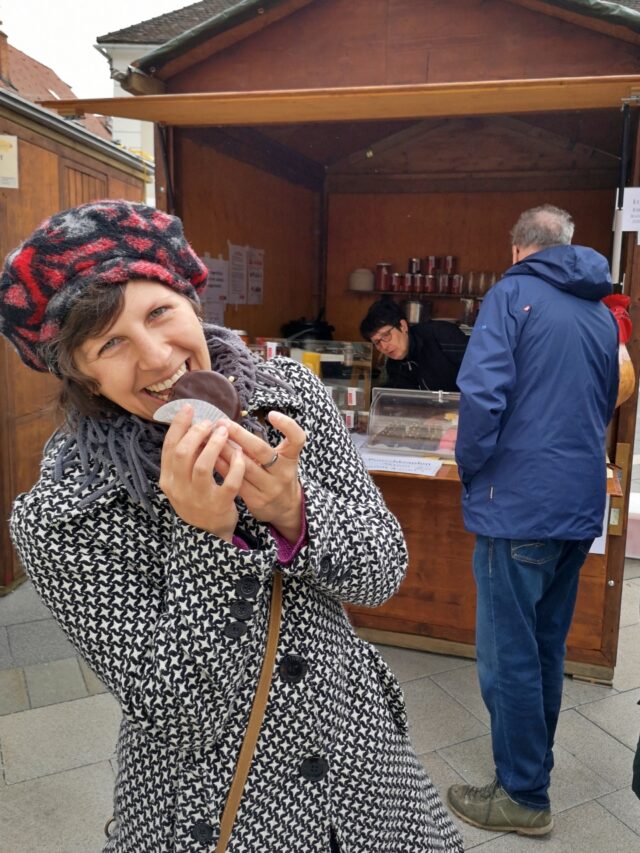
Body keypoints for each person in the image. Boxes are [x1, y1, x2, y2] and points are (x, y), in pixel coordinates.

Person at [0, 200, 463, 853]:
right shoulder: (65, 513)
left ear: (192, 302)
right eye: (111, 342)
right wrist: (206, 536)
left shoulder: (288, 400)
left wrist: (293, 511)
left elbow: (383, 567)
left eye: (159, 311)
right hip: (215, 807)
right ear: (81, 374)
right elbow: (179, 716)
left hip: (362, 764)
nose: (159, 357)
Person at [447, 204, 619, 836]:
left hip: (516, 507)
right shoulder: (602, 314)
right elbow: (604, 402)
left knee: (508, 655)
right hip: (577, 507)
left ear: (519, 248)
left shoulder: (511, 294)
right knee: (546, 647)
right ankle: (533, 772)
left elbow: (483, 397)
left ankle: (522, 794)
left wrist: (472, 471)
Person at [359, 298, 467, 391]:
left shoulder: (441, 335)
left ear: (403, 326)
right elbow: (408, 402)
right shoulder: (394, 366)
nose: (384, 347)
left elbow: (477, 372)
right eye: (377, 342)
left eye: (386, 335)